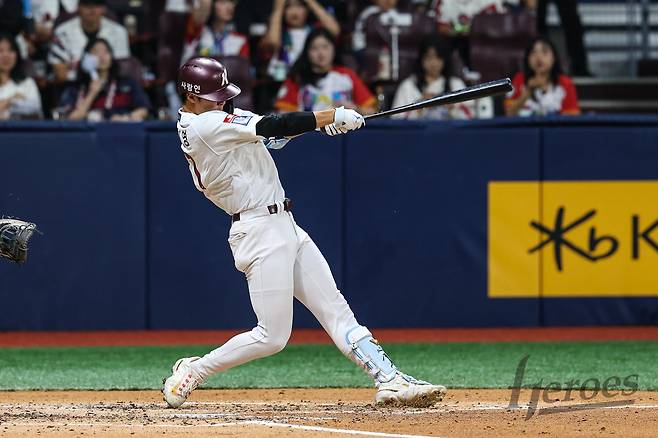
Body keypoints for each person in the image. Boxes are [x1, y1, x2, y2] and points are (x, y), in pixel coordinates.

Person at [162, 56, 447, 408]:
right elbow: (272, 124)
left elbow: (276, 131)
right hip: (258, 231)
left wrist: (319, 125)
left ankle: (390, 380)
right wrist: (331, 115)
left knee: (337, 310)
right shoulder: (204, 126)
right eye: (213, 95)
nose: (222, 99)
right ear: (191, 97)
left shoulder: (212, 118)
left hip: (283, 224)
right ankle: (195, 370)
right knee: (272, 337)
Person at [275, 28, 375, 113]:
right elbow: (283, 114)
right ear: (307, 52)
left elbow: (371, 111)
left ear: (334, 49)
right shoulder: (296, 78)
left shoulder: (347, 75)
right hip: (308, 134)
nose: (321, 53)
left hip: (342, 133)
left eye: (325, 47)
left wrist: (354, 110)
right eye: (314, 48)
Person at [58, 38, 150, 121]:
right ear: (86, 58)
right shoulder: (75, 87)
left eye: (106, 52)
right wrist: (92, 94)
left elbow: (143, 109)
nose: (102, 56)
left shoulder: (127, 83)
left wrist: (126, 118)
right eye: (96, 52)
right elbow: (68, 119)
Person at [392, 35, 473, 120]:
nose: (434, 63)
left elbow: (471, 117)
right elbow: (396, 121)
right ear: (422, 59)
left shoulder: (455, 84)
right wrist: (419, 106)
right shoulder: (408, 86)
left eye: (438, 58)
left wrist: (452, 107)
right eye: (429, 57)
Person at [48, 0, 131, 83]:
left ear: (104, 8)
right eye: (87, 5)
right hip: (74, 87)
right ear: (78, 7)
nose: (92, 9)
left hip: (110, 87)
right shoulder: (62, 32)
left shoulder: (118, 32)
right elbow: (60, 74)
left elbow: (121, 70)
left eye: (97, 5)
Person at [261, 0, 340, 82]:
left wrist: (311, 2)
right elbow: (272, 43)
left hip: (308, 83)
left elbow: (334, 30)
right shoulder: (277, 32)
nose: (294, 12)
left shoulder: (314, 32)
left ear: (307, 9)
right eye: (288, 7)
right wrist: (278, 7)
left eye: (299, 6)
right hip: (279, 84)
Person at [504, 36, 580, 117]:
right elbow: (508, 114)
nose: (539, 57)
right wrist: (528, 92)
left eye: (545, 52)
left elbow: (574, 115)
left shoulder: (566, 83)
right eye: (533, 52)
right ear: (527, 58)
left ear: (554, 57)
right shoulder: (518, 79)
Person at [186, 0, 250, 60]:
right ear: (212, 5)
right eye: (223, 2)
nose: (230, 7)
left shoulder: (240, 40)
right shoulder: (199, 31)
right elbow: (205, 3)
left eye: (232, 2)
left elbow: (242, 69)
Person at [0, 33, 43, 120]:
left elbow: (36, 114)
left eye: (11, 50)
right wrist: (10, 101)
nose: (6, 55)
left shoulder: (28, 83)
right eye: (0, 51)